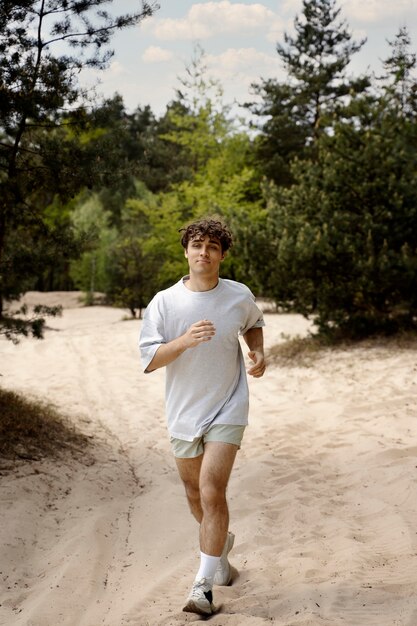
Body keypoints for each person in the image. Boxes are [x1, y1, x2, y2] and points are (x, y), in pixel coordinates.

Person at [139, 217, 266, 616]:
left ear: (222, 255)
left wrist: (258, 353)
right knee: (195, 496)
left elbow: (254, 322)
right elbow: (149, 360)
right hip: (183, 411)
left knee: (212, 490)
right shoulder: (164, 302)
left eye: (212, 246)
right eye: (197, 245)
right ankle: (220, 553)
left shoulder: (237, 295)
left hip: (228, 405)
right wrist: (184, 341)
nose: (204, 252)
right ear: (186, 251)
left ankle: (203, 587)